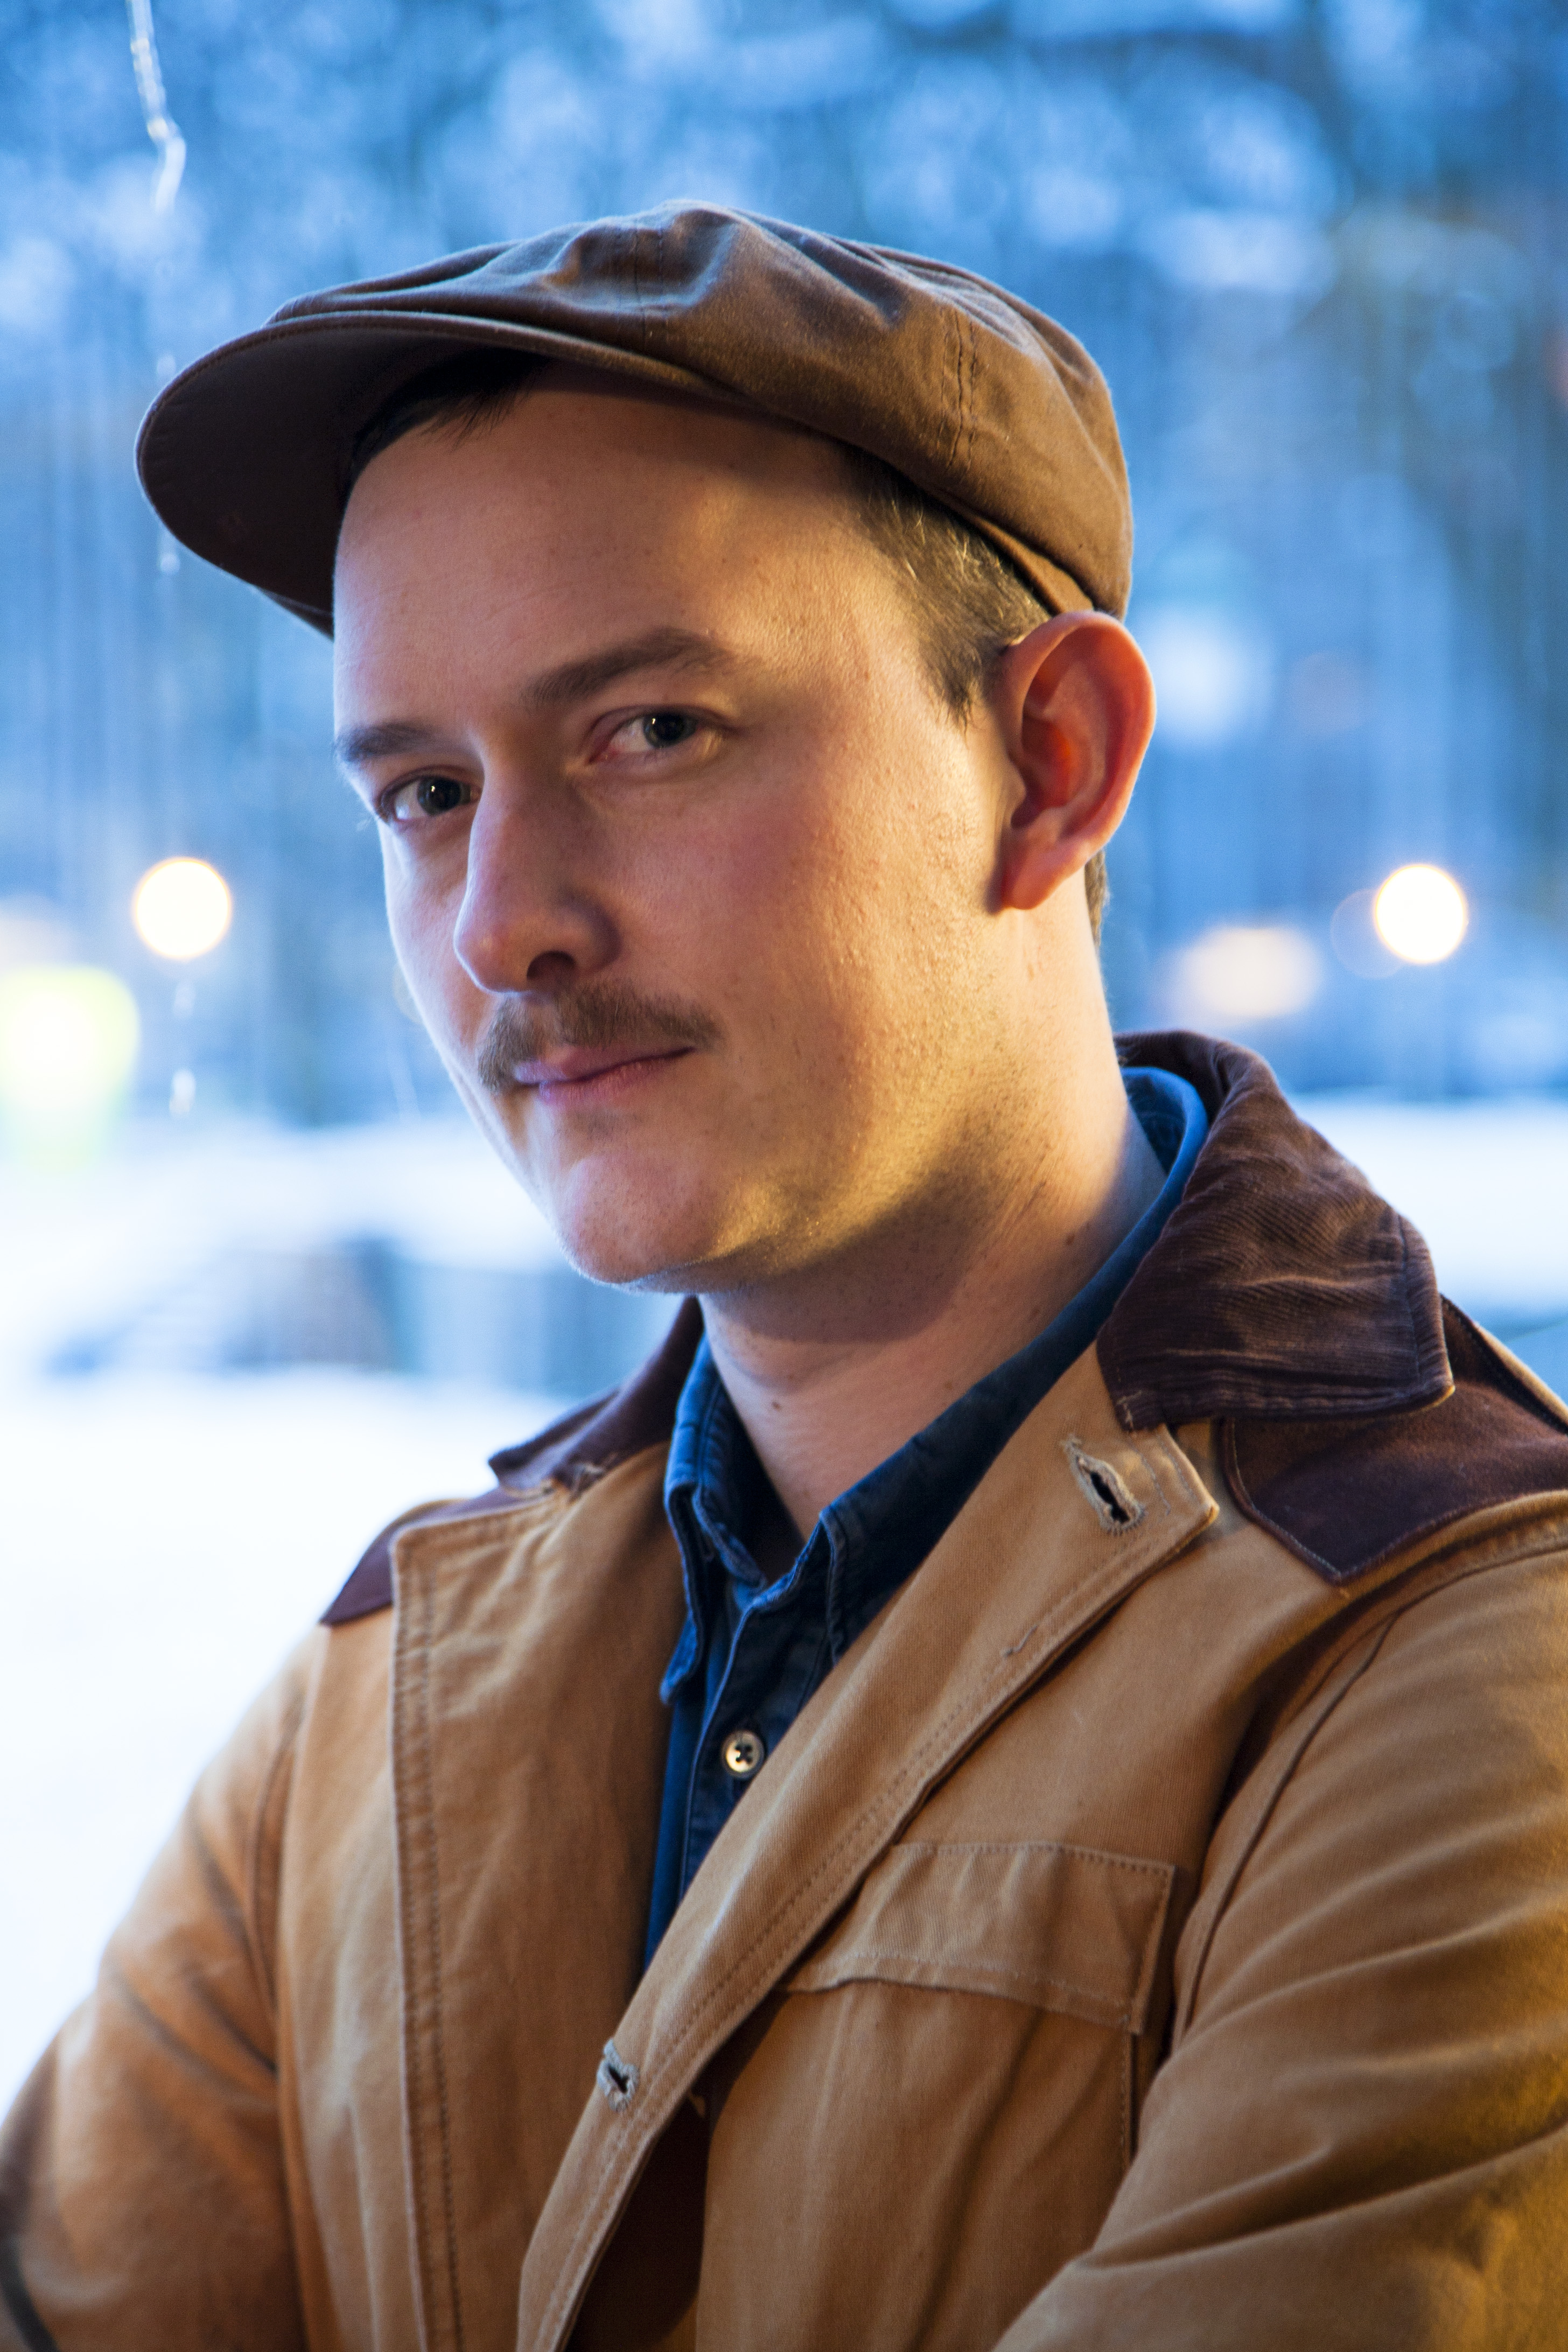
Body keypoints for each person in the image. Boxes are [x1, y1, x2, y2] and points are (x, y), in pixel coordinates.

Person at [5, 205, 1568, 2352]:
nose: (504, 925)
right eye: (426, 792)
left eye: (650, 730)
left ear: (1051, 762)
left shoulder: (1468, 1667)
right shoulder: (384, 1692)